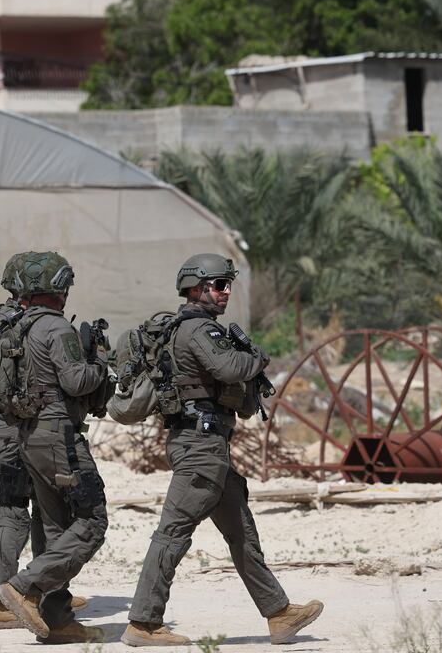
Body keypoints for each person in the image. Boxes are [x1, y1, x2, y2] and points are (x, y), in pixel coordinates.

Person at [122, 254, 324, 647]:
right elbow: (231, 368)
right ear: (195, 289)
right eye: (218, 284)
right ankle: (143, 624)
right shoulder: (198, 330)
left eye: (227, 283)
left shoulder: (199, 328)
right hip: (200, 448)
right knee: (172, 534)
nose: (226, 291)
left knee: (241, 532)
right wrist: (257, 357)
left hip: (209, 446)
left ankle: (279, 613)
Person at [0, 251, 110, 645]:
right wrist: (101, 363)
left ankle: (56, 618)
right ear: (56, 287)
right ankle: (24, 588)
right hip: (59, 436)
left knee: (57, 526)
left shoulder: (18, 326)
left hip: (29, 436)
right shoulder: (56, 328)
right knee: (93, 521)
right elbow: (78, 381)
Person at [0, 255, 86, 629]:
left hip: (4, 425)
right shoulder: (21, 322)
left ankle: (44, 588)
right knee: (17, 510)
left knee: (41, 507)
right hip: (8, 428)